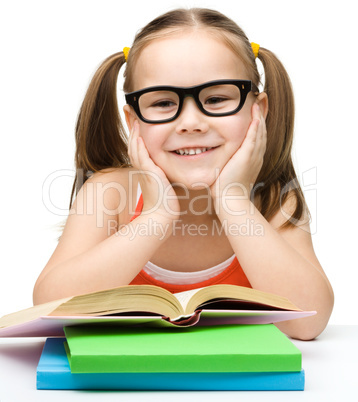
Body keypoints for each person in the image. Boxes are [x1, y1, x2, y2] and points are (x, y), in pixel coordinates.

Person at [33, 8, 334, 340]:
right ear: (134, 122)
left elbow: (308, 322)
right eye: (163, 103)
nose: (191, 123)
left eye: (217, 98)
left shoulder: (272, 199)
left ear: (257, 110)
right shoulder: (110, 194)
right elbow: (50, 308)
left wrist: (233, 200)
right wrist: (157, 215)